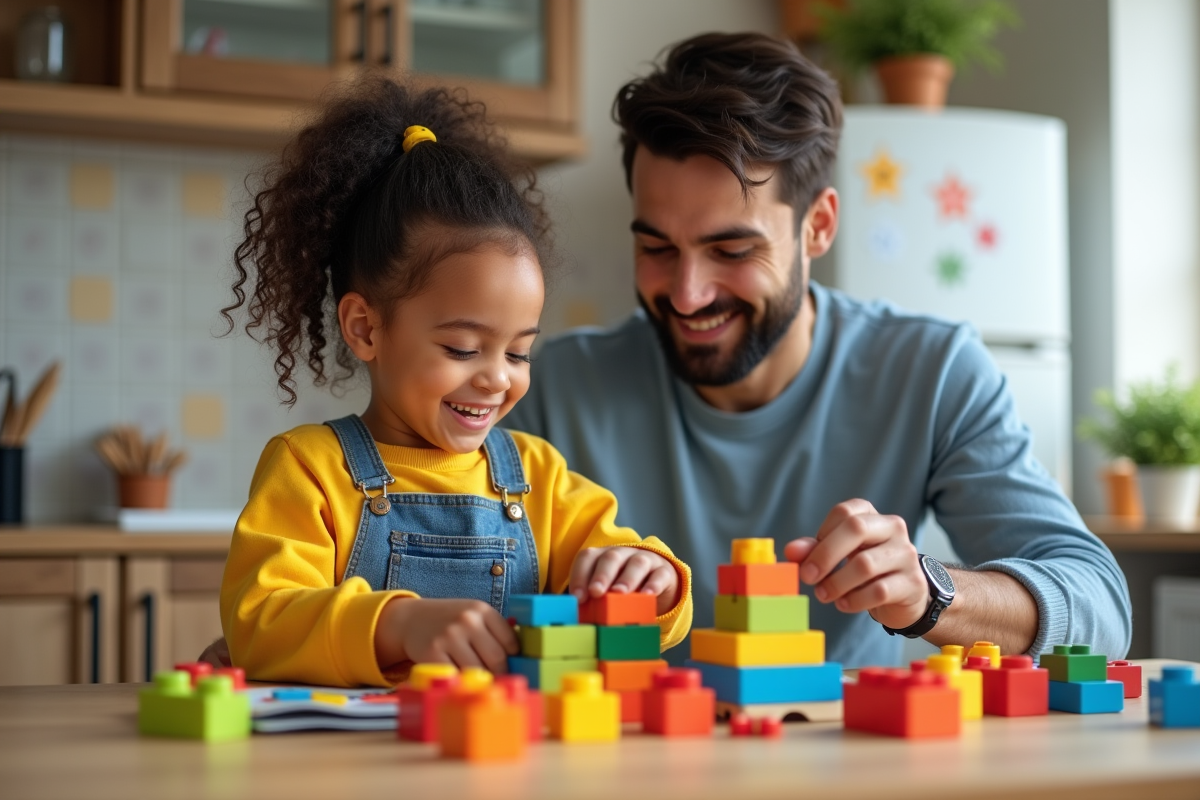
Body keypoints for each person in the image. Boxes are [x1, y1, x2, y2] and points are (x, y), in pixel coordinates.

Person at [504, 32, 1131, 668]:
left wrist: (929, 591)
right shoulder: (554, 388)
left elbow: (1101, 609)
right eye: (658, 248)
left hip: (851, 759)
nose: (688, 295)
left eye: (732, 250)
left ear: (819, 226)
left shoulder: (933, 372)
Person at [213, 76, 692, 687]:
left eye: (519, 353)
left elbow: (644, 592)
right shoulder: (308, 471)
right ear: (365, 327)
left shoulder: (537, 478)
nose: (496, 378)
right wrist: (400, 625)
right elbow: (260, 621)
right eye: (463, 348)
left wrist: (652, 576)